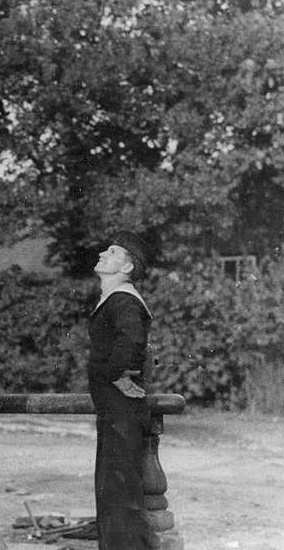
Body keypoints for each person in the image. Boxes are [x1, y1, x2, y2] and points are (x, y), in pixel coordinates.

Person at [88, 232, 158, 550]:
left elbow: (132, 339)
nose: (104, 253)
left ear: (128, 266)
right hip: (113, 409)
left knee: (119, 494)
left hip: (121, 409)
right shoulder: (115, 298)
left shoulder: (125, 300)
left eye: (113, 252)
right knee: (112, 491)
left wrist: (118, 374)